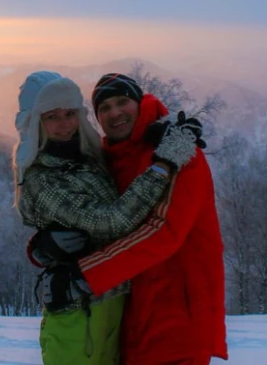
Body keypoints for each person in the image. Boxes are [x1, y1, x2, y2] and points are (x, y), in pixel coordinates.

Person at [12, 71, 198, 365]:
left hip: (114, 304)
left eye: (70, 113)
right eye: (52, 116)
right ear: (36, 122)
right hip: (76, 310)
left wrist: (152, 134)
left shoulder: (86, 156)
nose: (64, 124)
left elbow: (125, 156)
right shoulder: (42, 177)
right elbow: (112, 222)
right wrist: (164, 163)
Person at [70, 73, 228, 365]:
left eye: (122, 102)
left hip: (178, 321)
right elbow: (88, 214)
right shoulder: (109, 161)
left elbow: (164, 231)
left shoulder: (179, 151)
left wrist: (86, 274)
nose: (114, 112)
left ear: (139, 103)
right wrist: (46, 243)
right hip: (130, 320)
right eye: (104, 108)